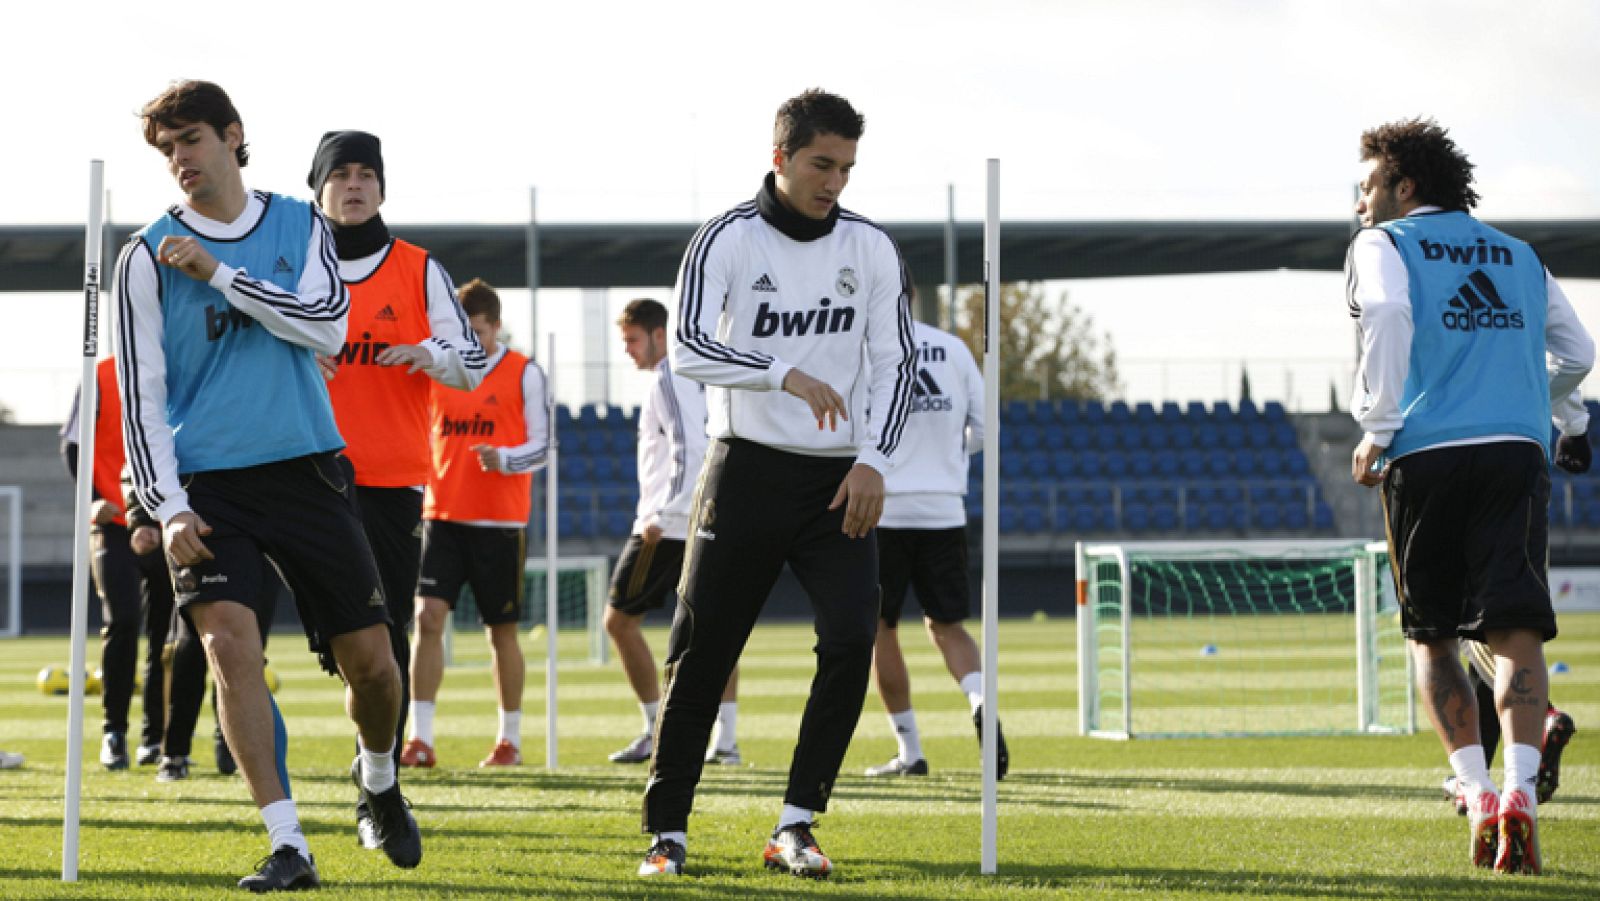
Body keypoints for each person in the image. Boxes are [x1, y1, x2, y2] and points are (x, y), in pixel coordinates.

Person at [113, 80, 420, 891]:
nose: (180, 159)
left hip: (306, 465)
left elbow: (327, 324)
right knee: (224, 646)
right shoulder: (142, 257)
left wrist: (218, 273)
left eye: (191, 140)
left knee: (377, 667)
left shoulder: (300, 221)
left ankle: (379, 779)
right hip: (209, 484)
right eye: (167, 147)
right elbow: (139, 396)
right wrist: (166, 504)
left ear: (232, 135)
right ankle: (289, 842)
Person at [638, 88, 915, 879]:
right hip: (745, 470)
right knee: (702, 650)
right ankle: (668, 831)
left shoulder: (871, 248)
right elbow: (687, 347)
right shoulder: (725, 239)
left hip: (839, 482)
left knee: (853, 638)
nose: (836, 181)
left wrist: (875, 462)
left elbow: (895, 362)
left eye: (847, 167)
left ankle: (796, 822)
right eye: (822, 163)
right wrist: (783, 374)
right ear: (781, 157)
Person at [1347, 117, 1594, 876]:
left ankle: (1479, 793)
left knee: (1433, 637)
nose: (1359, 205)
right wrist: (1554, 411)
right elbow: (1579, 353)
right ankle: (1522, 792)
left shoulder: (1382, 245)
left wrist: (1377, 425)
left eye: (1367, 187)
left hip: (1426, 455)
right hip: (1515, 453)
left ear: (1404, 186)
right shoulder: (1519, 254)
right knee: (1517, 630)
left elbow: (1387, 315)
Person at [307, 130, 485, 840]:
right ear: (318, 188)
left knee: (382, 643)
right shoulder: (295, 268)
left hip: (389, 483)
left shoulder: (418, 269)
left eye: (365, 174)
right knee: (340, 647)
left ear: (381, 187)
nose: (354, 185)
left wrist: (431, 353)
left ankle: (377, 786)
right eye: (340, 175)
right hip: (304, 474)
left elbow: (471, 362)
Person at [402, 279, 548, 768]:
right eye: (465, 333)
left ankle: (509, 740)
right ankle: (419, 739)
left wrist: (504, 459)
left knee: (500, 630)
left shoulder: (524, 372)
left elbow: (543, 446)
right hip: (441, 515)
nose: (473, 343)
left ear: (497, 327)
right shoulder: (441, 372)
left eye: (480, 333)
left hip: (499, 522)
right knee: (427, 619)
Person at [861, 318, 1008, 781]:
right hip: (944, 508)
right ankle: (979, 698)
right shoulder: (953, 349)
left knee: (880, 628)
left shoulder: (864, 350)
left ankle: (910, 750)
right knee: (947, 625)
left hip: (883, 509)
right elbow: (986, 430)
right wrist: (949, 460)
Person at [606, 298, 740, 767]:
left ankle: (654, 729)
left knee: (618, 621)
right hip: (708, 517)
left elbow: (690, 448)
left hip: (671, 522)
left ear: (659, 335)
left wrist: (665, 512)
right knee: (714, 626)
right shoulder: (700, 371)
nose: (627, 350)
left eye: (632, 340)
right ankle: (725, 741)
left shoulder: (669, 375)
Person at [61, 356, 170, 772]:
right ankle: (114, 732)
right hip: (114, 524)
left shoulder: (175, 363)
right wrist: (91, 501)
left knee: (165, 636)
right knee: (123, 622)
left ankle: (154, 739)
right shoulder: (100, 374)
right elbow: (72, 445)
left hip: (164, 522)